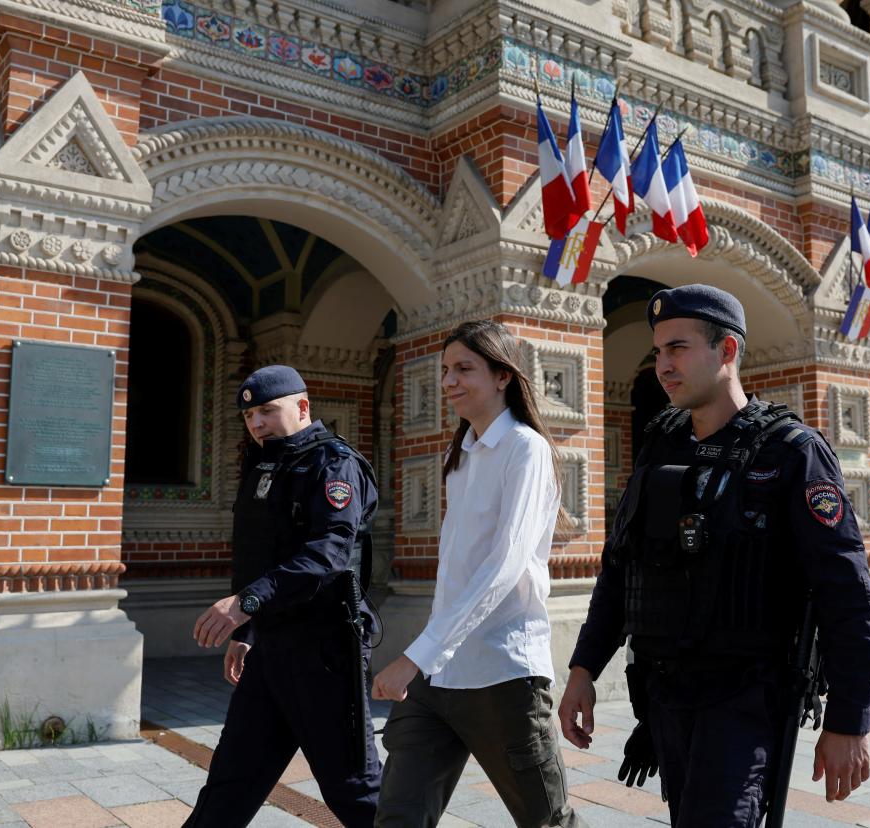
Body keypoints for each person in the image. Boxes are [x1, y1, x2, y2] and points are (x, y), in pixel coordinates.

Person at [558, 284, 870, 827]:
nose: (663, 365)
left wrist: (850, 720)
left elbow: (847, 593)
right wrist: (583, 668)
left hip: (745, 699)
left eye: (678, 348)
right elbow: (621, 567)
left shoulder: (791, 451)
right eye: (658, 351)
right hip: (664, 696)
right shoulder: (661, 443)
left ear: (727, 350)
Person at [370, 320, 585, 828]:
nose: (449, 381)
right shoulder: (459, 454)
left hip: (503, 676)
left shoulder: (525, 449)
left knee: (547, 823)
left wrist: (414, 655)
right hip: (438, 677)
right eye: (445, 370)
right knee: (396, 818)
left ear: (503, 376)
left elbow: (505, 565)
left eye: (464, 369)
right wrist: (428, 658)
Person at [183, 365, 381, 827]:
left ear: (302, 406)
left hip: (323, 654)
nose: (257, 424)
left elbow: (327, 554)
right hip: (270, 652)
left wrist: (242, 604)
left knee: (354, 792)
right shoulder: (264, 465)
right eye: (249, 415)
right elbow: (260, 557)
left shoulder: (333, 464)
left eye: (267, 411)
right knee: (230, 782)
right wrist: (248, 630)